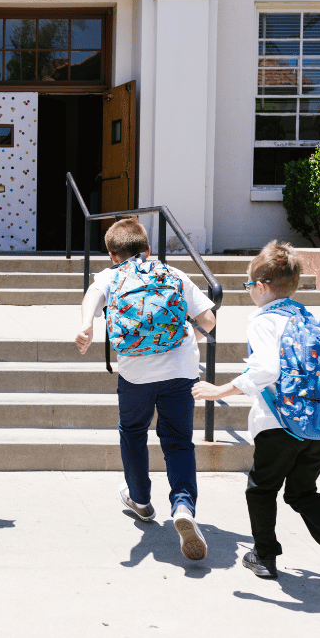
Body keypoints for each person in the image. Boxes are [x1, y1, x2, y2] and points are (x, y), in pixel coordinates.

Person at [75, 217, 216, 560]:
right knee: (179, 441)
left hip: (136, 374)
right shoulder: (174, 274)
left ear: (112, 255)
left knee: (133, 432)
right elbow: (209, 320)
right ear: (148, 249)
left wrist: (84, 328)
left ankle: (140, 500)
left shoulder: (110, 276)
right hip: (181, 371)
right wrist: (187, 342)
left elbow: (91, 303)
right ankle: (183, 506)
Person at [192, 240, 320, 578]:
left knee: (261, 489)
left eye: (249, 285)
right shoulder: (307, 317)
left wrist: (218, 390)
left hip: (279, 424)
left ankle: (265, 556)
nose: (250, 292)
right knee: (302, 492)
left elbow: (266, 369)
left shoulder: (263, 320)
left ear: (263, 286)